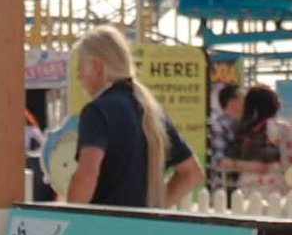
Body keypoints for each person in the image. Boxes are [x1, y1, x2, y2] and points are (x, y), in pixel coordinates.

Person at [65, 26, 206, 209]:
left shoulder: (97, 111)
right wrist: (156, 206)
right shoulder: (151, 111)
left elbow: (87, 177)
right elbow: (192, 173)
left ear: (97, 66)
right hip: (144, 224)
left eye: (80, 68)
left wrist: (70, 216)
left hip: (104, 224)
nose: (79, 77)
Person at [207, 82, 243, 172]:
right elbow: (219, 161)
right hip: (226, 178)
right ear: (232, 102)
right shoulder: (219, 126)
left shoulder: (243, 124)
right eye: (243, 99)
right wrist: (250, 166)